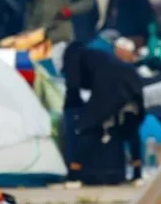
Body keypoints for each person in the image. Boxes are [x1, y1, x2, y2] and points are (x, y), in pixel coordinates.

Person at [62, 41, 146, 184]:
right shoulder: (97, 55)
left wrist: (72, 107)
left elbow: (73, 85)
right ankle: (137, 174)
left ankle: (74, 174)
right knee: (131, 125)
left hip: (110, 84)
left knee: (87, 125)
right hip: (132, 80)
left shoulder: (73, 56)